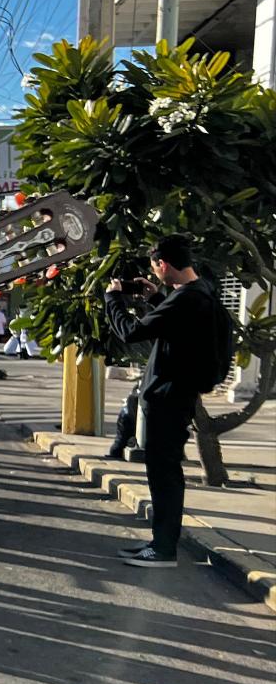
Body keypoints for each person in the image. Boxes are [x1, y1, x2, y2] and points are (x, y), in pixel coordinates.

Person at [105, 234, 222, 569]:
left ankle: (164, 549)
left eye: (155, 268)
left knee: (164, 473)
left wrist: (112, 299)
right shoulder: (198, 295)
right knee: (165, 471)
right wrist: (157, 298)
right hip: (176, 396)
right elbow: (178, 331)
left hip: (168, 399)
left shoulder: (186, 299)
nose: (155, 274)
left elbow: (130, 332)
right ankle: (160, 542)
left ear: (164, 264)